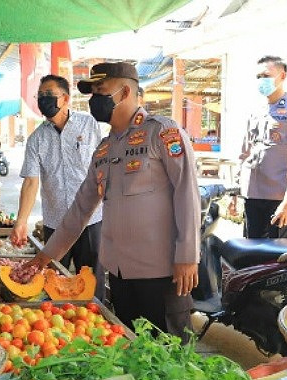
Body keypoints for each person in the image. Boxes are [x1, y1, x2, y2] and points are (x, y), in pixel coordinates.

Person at [27, 63, 202, 342]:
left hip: (162, 271)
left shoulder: (161, 133)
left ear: (125, 92)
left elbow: (187, 194)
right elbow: (80, 209)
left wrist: (188, 256)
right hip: (119, 274)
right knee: (132, 350)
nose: (95, 99)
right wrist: (45, 256)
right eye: (93, 93)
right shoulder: (104, 149)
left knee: (172, 351)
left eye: (101, 90)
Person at [9, 74, 105, 299]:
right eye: (40, 96)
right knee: (53, 281)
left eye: (49, 95)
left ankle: (97, 315)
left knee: (92, 282)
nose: (44, 100)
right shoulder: (36, 139)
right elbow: (31, 181)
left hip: (90, 219)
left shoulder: (88, 124)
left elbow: (101, 165)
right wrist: (21, 221)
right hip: (56, 222)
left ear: (65, 99)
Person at [231, 55, 287, 239]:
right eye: (258, 77)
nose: (262, 81)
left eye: (266, 76)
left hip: (279, 198)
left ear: (282, 76)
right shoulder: (256, 111)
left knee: (280, 252)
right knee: (250, 252)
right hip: (252, 196)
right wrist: (235, 191)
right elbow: (244, 153)